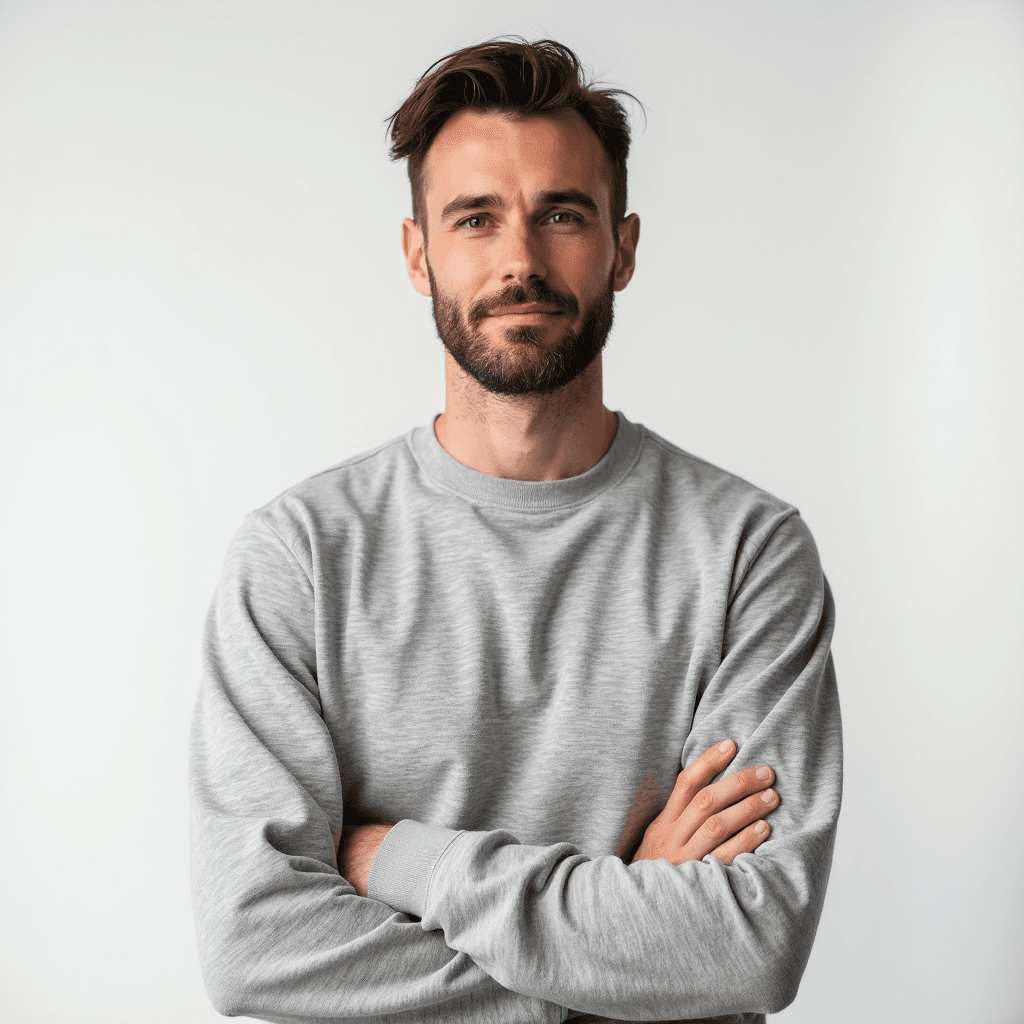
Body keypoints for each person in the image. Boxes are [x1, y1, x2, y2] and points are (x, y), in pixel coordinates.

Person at [189, 38, 842, 1024]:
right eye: (476, 218)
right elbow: (254, 948)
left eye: (561, 215)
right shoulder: (298, 557)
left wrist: (396, 855)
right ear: (420, 253)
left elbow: (748, 943)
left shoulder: (747, 552)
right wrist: (611, 963)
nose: (520, 261)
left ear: (622, 246)